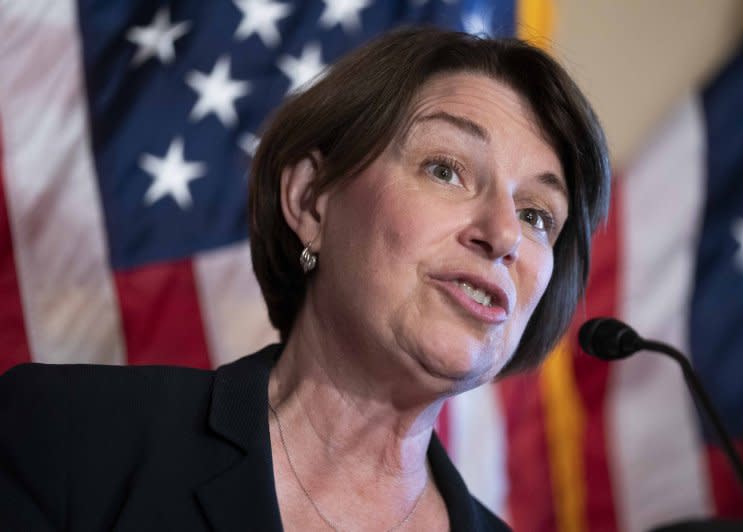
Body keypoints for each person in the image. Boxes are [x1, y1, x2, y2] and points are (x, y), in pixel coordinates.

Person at [0, 27, 610, 531]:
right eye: (446, 169)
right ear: (312, 201)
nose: (503, 234)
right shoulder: (66, 438)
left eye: (537, 216)